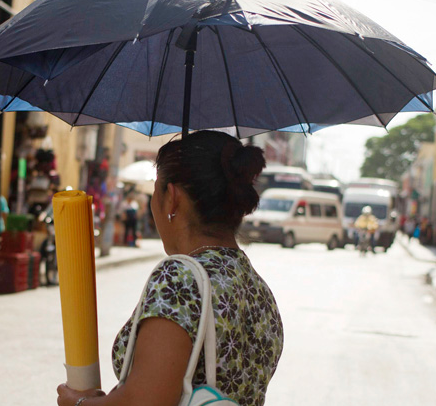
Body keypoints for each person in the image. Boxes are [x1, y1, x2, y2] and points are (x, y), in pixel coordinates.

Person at [56, 131, 283, 406]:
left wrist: (79, 403)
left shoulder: (180, 279)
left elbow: (145, 402)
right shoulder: (256, 287)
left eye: (156, 191)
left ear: (172, 198)